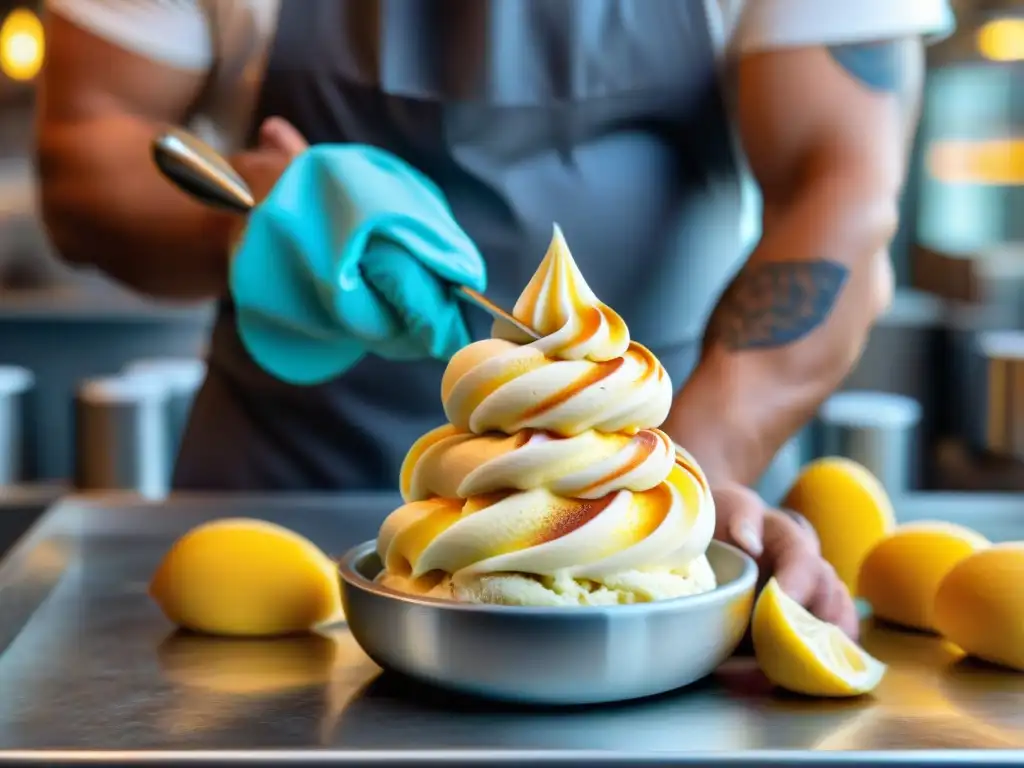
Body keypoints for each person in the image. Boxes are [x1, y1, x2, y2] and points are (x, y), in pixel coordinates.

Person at [36, 0, 953, 636]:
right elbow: (85, 158)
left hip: (661, 461)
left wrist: (676, 490)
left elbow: (840, 191)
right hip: (287, 486)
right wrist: (246, 224)